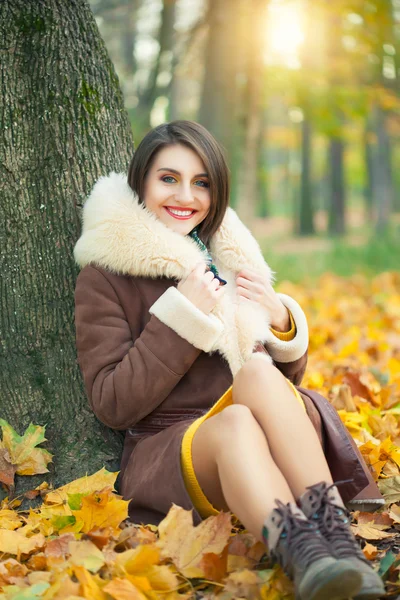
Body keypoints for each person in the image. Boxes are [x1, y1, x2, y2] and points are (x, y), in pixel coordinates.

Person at [74, 120, 385, 600]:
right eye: (168, 178)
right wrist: (182, 315)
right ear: (142, 182)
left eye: (202, 183)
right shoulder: (106, 273)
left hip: (260, 428)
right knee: (236, 421)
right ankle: (307, 559)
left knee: (258, 374)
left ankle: (338, 544)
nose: (186, 196)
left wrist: (278, 319)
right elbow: (113, 403)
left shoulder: (227, 255)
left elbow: (283, 392)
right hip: (171, 448)